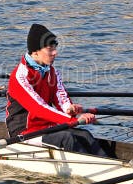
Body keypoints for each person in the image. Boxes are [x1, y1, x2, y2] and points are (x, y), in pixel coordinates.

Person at [6, 23, 109, 157]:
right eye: (50, 49)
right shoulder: (20, 76)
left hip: (47, 127)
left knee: (85, 134)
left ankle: (110, 165)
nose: (55, 52)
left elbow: (62, 99)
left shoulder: (52, 72)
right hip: (24, 133)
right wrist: (72, 120)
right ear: (35, 52)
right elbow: (39, 108)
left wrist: (70, 109)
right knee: (66, 138)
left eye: (55, 47)